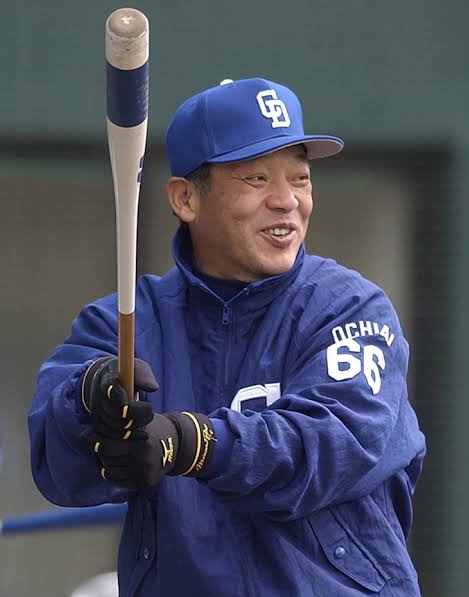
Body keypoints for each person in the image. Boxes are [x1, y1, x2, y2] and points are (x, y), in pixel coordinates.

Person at [28, 77, 426, 596]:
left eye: (300, 179)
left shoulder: (349, 308)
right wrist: (90, 406)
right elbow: (57, 466)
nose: (287, 201)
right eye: (256, 178)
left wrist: (192, 443)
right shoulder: (125, 322)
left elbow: (333, 445)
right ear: (186, 199)